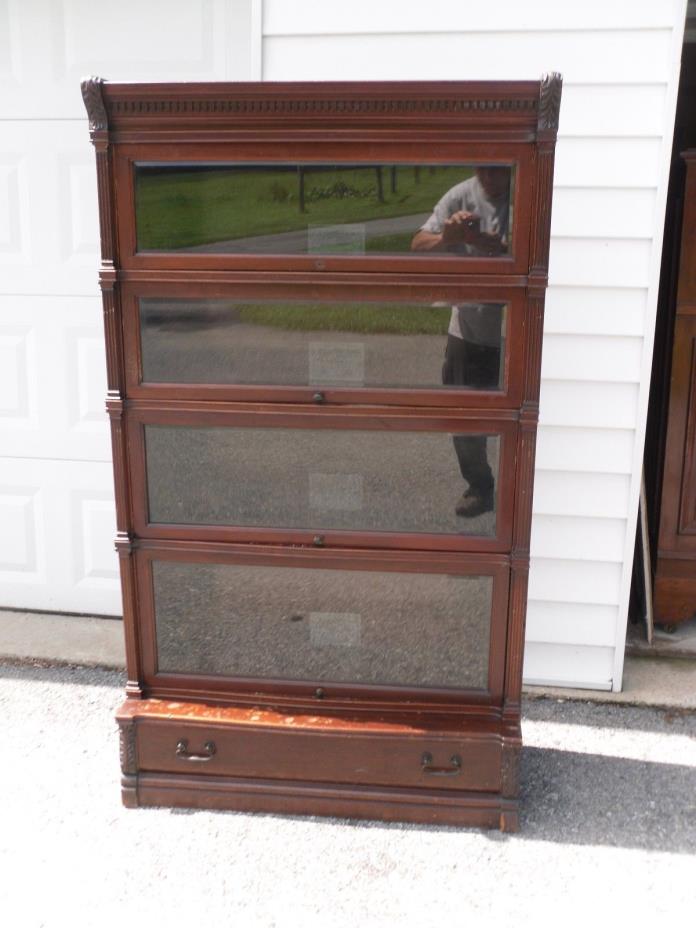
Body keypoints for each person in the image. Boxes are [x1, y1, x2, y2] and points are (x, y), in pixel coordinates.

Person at [411, 167, 510, 518]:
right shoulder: (460, 195)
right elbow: (418, 243)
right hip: (469, 325)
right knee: (464, 415)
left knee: (518, 413)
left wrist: (495, 247)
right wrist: (448, 238)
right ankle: (480, 487)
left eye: (498, 169)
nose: (490, 176)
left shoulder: (532, 189)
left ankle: (523, 490)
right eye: (483, 168)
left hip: (519, 324)